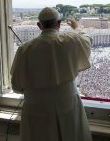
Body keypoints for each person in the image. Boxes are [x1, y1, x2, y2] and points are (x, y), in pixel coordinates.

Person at [10, 7, 92, 141]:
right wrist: (77, 28)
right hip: (67, 105)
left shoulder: (24, 49)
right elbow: (86, 40)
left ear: (39, 25)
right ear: (59, 24)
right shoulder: (70, 41)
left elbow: (17, 87)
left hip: (35, 109)